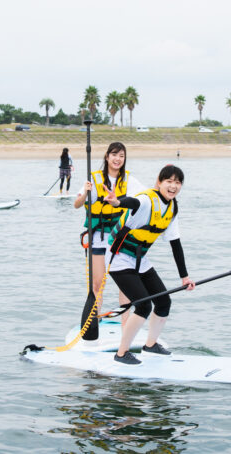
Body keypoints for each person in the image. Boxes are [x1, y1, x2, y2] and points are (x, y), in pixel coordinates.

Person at [103, 164, 194, 365]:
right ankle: (121, 353)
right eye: (169, 181)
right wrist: (117, 202)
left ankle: (150, 345)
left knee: (163, 301)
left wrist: (184, 277)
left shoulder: (172, 208)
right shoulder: (147, 199)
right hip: (118, 259)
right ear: (159, 183)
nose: (173, 186)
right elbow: (132, 203)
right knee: (143, 305)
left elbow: (175, 244)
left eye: (178, 182)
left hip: (139, 260)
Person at [73, 142, 144, 340]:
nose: (117, 159)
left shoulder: (130, 180)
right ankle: (93, 326)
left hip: (120, 239)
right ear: (107, 156)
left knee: (125, 285)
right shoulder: (94, 179)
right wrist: (86, 192)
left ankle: (125, 329)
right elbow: (77, 204)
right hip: (99, 238)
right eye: (114, 154)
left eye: (121, 155)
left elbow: (146, 198)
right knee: (97, 285)